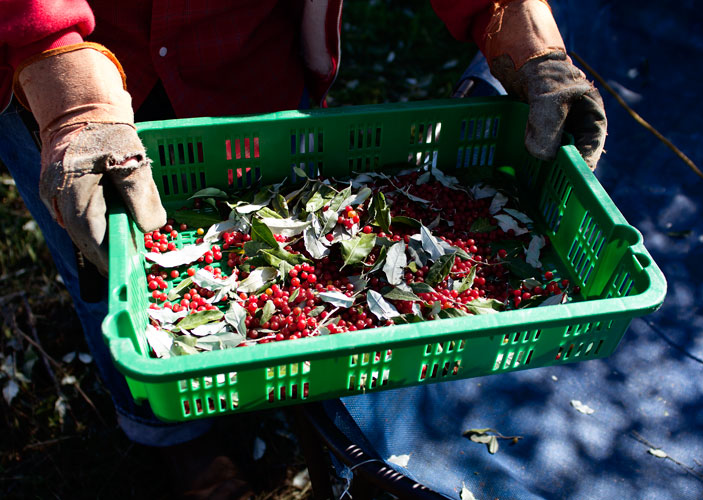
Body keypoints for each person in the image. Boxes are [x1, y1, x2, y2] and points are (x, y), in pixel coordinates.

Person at [0, 0, 606, 496]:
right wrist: (68, 91)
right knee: (104, 265)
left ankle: (273, 393)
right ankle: (174, 437)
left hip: (244, 63)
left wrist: (523, 35)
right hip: (74, 74)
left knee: (267, 216)